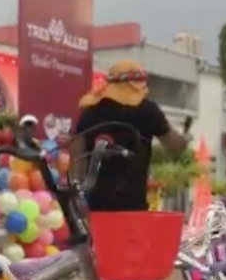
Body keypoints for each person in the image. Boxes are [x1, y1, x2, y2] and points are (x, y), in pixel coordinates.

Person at [68, 59, 189, 211]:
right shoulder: (148, 111)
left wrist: (76, 198)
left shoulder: (90, 112)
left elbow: (77, 157)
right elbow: (175, 146)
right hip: (134, 207)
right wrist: (184, 139)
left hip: (96, 208)